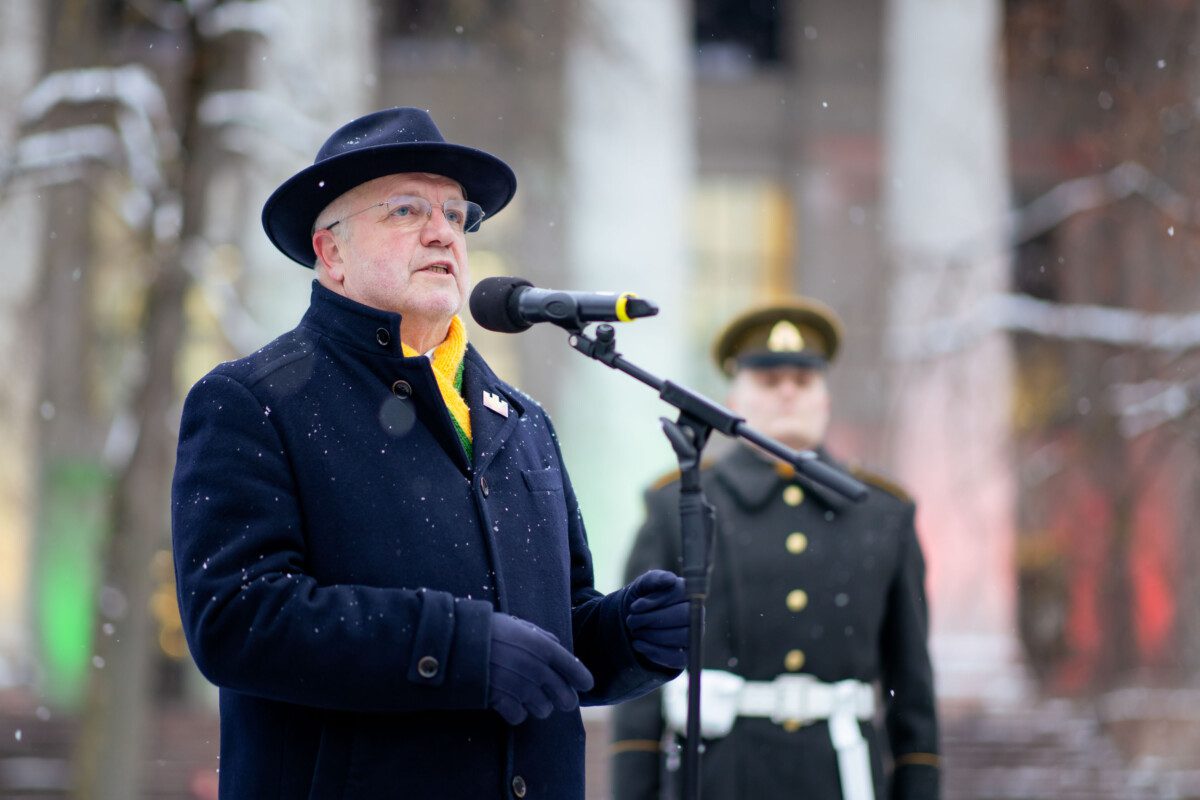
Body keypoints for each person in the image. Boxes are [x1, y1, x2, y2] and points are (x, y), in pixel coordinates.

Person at [171, 106, 690, 799]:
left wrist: (627, 637)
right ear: (331, 252)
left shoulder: (521, 421)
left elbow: (551, 636)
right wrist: (452, 648)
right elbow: (237, 619)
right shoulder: (253, 400)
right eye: (406, 210)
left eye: (455, 214)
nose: (443, 231)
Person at [610, 299, 940, 800]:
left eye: (803, 380)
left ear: (825, 399)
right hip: (720, 778)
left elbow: (912, 688)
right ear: (734, 398)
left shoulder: (883, 513)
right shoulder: (679, 505)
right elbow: (640, 682)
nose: (787, 392)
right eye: (768, 381)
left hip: (841, 777)